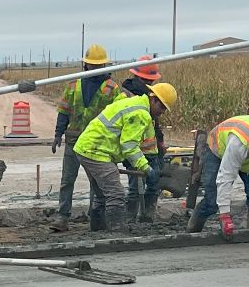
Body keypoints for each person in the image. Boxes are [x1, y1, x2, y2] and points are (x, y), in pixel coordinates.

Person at [73, 82, 178, 231]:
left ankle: (98, 229)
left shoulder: (134, 103)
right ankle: (117, 231)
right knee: (116, 194)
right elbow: (129, 146)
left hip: (87, 148)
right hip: (97, 152)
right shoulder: (140, 113)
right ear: (153, 99)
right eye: (162, 107)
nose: (162, 112)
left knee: (102, 194)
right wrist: (146, 168)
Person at [51, 45, 113, 224]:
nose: (94, 69)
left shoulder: (111, 88)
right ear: (85, 65)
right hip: (74, 141)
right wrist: (58, 134)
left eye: (98, 65)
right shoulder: (73, 84)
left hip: (97, 145)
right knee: (67, 180)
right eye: (91, 65)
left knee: (97, 183)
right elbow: (64, 110)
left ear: (104, 66)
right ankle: (63, 216)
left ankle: (95, 215)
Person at [121, 60, 167, 225]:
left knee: (153, 184)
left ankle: (147, 217)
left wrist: (160, 140)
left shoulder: (151, 96)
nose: (149, 84)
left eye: (151, 81)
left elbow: (155, 121)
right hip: (133, 150)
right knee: (134, 188)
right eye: (147, 81)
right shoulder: (126, 95)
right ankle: (130, 218)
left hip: (151, 149)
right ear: (137, 77)